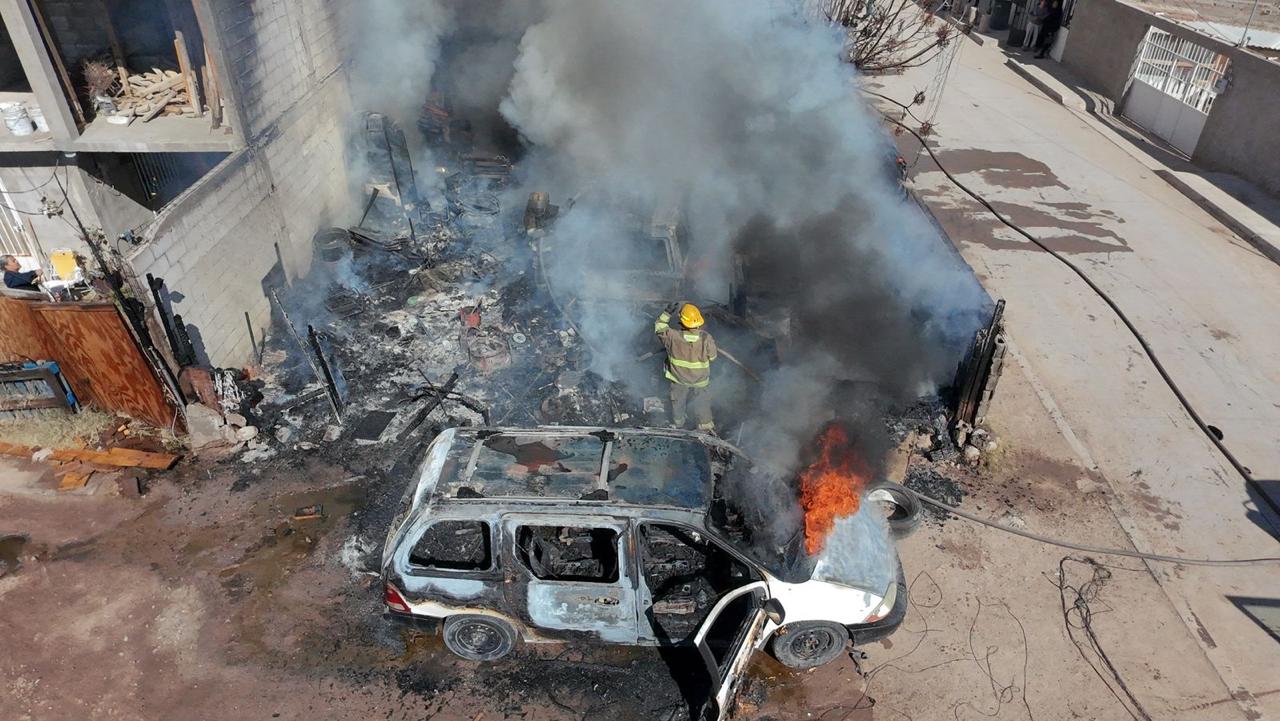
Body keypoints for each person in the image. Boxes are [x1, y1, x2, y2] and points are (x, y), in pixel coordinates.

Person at [654, 301, 717, 433]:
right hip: (700, 380)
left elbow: (659, 327)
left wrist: (667, 312)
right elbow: (713, 357)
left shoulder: (672, 337)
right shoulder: (706, 338)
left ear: (682, 322)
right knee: (702, 402)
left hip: (679, 379)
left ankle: (679, 424)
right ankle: (705, 427)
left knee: (678, 402)